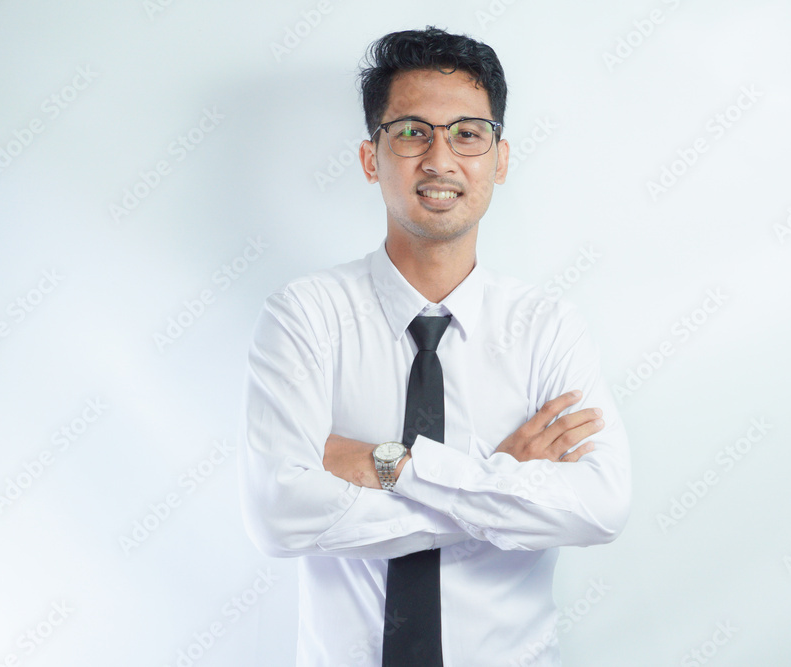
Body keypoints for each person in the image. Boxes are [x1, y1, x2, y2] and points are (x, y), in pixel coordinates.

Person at [238, 26, 630, 667]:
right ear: (372, 158)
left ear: (499, 158)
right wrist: (500, 480)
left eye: (468, 133)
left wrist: (394, 466)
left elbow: (601, 506)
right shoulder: (304, 316)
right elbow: (279, 516)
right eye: (412, 132)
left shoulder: (546, 326)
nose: (440, 160)